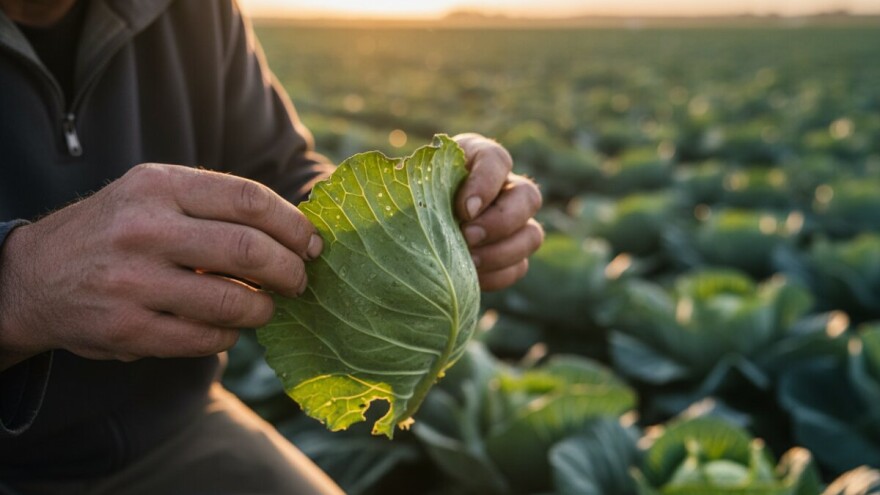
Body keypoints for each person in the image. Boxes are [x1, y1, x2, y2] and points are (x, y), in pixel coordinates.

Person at [0, 0, 543, 493]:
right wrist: (18, 285)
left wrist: (418, 221)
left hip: (175, 428)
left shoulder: (196, 10)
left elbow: (280, 182)